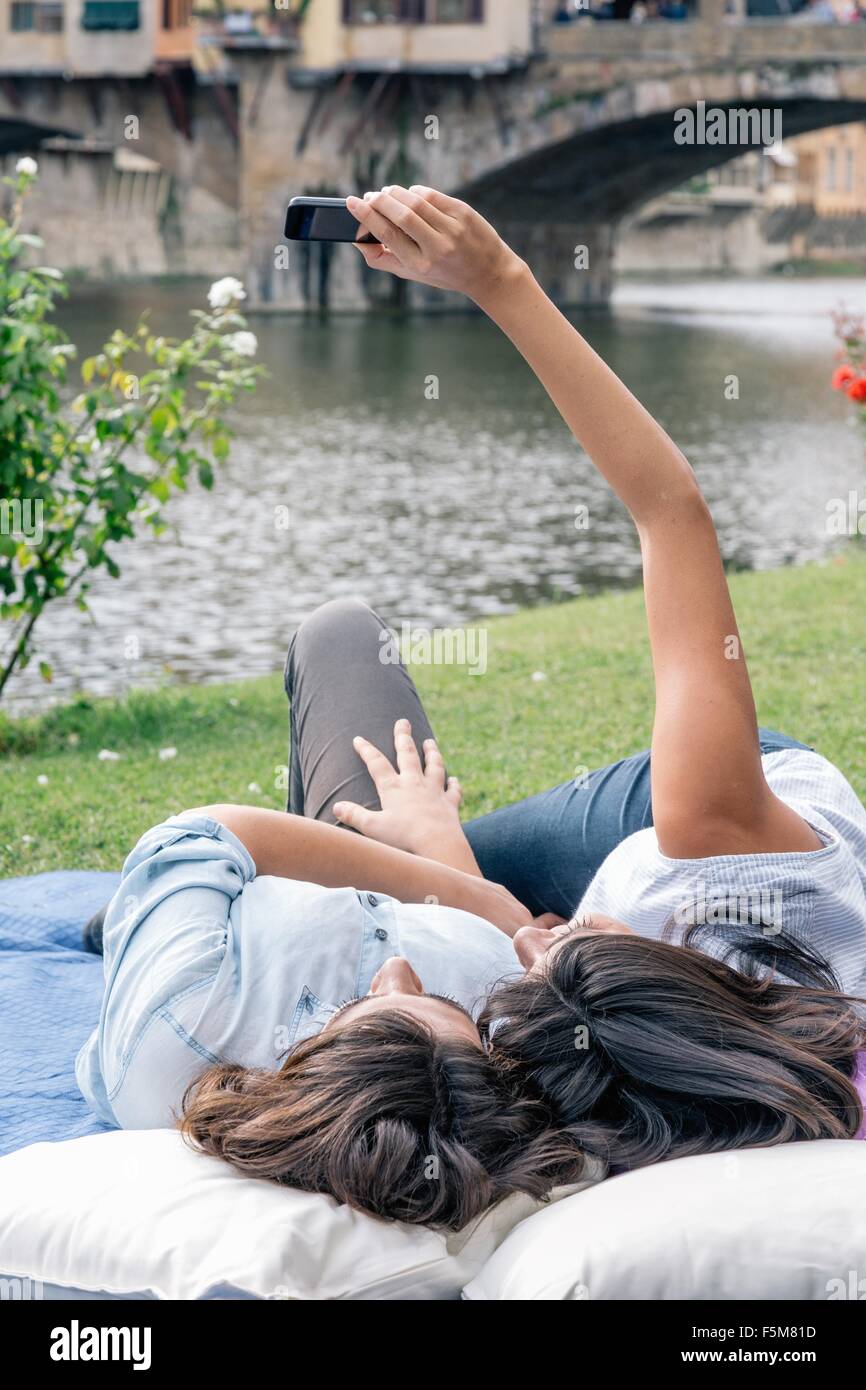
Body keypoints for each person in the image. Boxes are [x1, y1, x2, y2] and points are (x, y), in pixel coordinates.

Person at [339, 183, 866, 1167]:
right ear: (638, 942)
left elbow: (530, 970)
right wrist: (496, 279)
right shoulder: (716, 832)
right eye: (558, 944)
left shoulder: (629, 1094)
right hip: (740, 800)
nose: (535, 939)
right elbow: (668, 509)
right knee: (355, 754)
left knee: (359, 867)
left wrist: (441, 865)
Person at [75, 599, 585, 1231]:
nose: (399, 969)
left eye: (365, 1004)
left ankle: (126, 922)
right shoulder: (486, 1076)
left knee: (336, 633)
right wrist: (444, 853)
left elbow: (203, 835)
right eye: (445, 1001)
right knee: (354, 655)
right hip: (416, 884)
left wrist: (462, 889)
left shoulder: (180, 1022)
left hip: (251, 886)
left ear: (310, 1063)